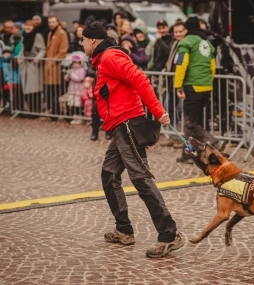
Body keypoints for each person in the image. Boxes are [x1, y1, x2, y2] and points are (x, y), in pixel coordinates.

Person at [81, 21, 184, 257]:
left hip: (127, 125)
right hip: (121, 126)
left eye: (84, 40)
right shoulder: (103, 59)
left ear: (93, 41)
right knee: (109, 174)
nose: (82, 44)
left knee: (141, 179)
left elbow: (140, 80)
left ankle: (169, 235)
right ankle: (124, 230)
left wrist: (158, 112)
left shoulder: (109, 57)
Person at [174, 16, 226, 164]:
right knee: (192, 122)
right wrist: (208, 82)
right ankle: (188, 155)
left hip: (192, 86)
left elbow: (181, 65)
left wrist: (178, 86)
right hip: (206, 86)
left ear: (187, 29)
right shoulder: (208, 44)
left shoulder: (186, 42)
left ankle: (214, 142)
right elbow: (212, 67)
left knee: (191, 123)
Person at [159, 21, 186, 148]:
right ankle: (174, 136)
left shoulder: (185, 45)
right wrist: (165, 83)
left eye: (181, 31)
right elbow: (169, 65)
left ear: (185, 31)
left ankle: (184, 138)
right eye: (176, 32)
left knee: (182, 111)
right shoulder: (174, 43)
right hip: (171, 83)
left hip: (180, 84)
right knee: (169, 110)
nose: (178, 34)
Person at [18, 19, 46, 116]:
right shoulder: (24, 36)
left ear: (33, 27)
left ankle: (36, 111)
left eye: (30, 25)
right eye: (26, 25)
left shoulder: (37, 36)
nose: (28, 27)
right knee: (27, 89)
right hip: (25, 65)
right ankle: (30, 110)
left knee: (34, 88)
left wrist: (37, 58)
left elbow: (42, 49)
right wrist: (19, 57)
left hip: (33, 65)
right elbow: (22, 48)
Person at [44, 15, 68, 120]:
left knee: (54, 91)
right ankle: (52, 112)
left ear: (57, 22)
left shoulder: (62, 33)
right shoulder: (50, 33)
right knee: (49, 90)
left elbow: (63, 51)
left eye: (53, 22)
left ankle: (55, 113)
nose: (51, 24)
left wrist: (52, 61)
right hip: (49, 66)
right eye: (49, 22)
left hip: (55, 66)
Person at [64, 54, 86, 124]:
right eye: (74, 63)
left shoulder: (82, 70)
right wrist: (68, 74)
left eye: (77, 63)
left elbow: (79, 78)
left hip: (78, 91)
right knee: (72, 104)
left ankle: (79, 118)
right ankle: (74, 117)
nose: (75, 64)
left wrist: (71, 75)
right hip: (72, 90)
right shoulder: (71, 70)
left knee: (78, 105)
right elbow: (66, 79)